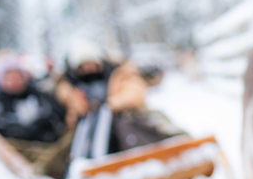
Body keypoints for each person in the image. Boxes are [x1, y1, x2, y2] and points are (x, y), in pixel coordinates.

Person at [55, 40, 183, 158]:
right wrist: (84, 109)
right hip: (92, 131)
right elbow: (71, 112)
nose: (89, 68)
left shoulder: (120, 73)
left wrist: (111, 104)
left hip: (125, 118)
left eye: (91, 63)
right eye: (84, 66)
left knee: (143, 126)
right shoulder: (73, 87)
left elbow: (135, 92)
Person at [0, 56, 71, 178]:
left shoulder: (40, 95)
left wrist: (42, 126)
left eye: (17, 76)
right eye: (9, 78)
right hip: (24, 152)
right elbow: (2, 130)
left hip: (52, 144)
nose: (15, 80)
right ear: (2, 81)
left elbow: (55, 115)